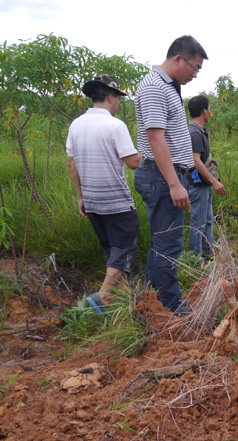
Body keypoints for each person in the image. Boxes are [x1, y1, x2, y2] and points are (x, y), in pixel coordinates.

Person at [134, 35, 208, 315]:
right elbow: (156, 139)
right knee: (169, 244)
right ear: (179, 59)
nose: (195, 73)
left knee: (161, 242)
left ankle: (154, 301)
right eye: (195, 67)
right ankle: (171, 306)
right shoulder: (155, 88)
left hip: (162, 175)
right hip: (162, 177)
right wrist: (175, 184)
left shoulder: (167, 87)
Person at [66, 74, 141, 312]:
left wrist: (81, 197)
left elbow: (72, 164)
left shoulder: (76, 125)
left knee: (112, 252)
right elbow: (132, 162)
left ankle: (124, 305)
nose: (119, 103)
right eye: (118, 98)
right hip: (117, 203)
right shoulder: (115, 125)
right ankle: (101, 298)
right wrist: (153, 154)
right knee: (124, 249)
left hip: (93, 202)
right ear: (111, 96)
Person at [187, 95, 226, 258]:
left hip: (203, 185)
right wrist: (214, 181)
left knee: (208, 221)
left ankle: (209, 256)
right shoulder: (194, 133)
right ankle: (195, 261)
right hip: (198, 186)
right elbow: (195, 160)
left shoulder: (197, 130)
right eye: (209, 109)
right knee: (199, 225)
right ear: (204, 111)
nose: (211, 112)